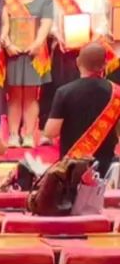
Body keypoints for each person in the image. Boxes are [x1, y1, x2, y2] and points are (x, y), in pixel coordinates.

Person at [43, 42, 120, 176]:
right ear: (104, 65)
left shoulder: (64, 92)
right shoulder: (116, 93)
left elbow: (51, 132)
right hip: (106, 167)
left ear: (78, 62)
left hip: (72, 168)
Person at [0, 0, 53, 147]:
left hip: (35, 54)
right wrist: (7, 44)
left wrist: (37, 44)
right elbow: (3, 25)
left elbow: (46, 24)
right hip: (12, 52)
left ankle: (29, 135)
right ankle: (13, 135)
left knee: (31, 95)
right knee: (13, 95)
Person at [49, 0, 106, 97]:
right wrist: (60, 39)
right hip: (66, 51)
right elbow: (53, 24)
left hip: (89, 52)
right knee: (66, 88)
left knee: (89, 91)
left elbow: (101, 24)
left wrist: (90, 44)